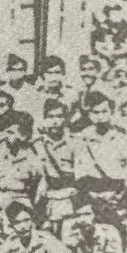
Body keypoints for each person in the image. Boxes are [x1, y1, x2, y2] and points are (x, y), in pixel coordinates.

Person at [72, 90, 127, 243]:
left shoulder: (120, 137)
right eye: (95, 112)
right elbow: (79, 169)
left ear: (111, 112)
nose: (100, 116)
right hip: (92, 192)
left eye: (104, 111)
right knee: (94, 233)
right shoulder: (83, 138)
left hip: (115, 193)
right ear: (89, 114)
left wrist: (119, 193)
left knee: (118, 230)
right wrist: (90, 193)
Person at [0, 109, 44, 234]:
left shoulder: (31, 154)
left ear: (22, 134)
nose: (6, 136)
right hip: (0, 201)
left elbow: (39, 182)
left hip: (22, 201)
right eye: (6, 131)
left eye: (11, 132)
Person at [33, 98, 78, 236]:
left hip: (69, 199)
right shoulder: (37, 144)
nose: (55, 121)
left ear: (65, 119)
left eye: (59, 116)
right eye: (50, 117)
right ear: (44, 119)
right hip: (45, 201)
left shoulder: (74, 142)